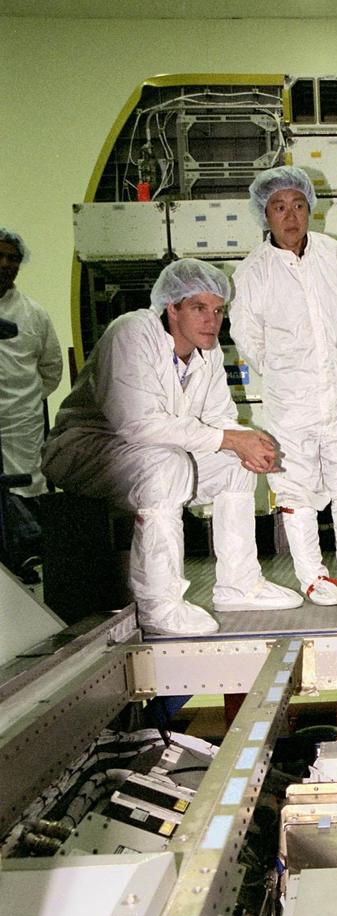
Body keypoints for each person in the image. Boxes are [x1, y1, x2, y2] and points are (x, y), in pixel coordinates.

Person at [43, 259, 302, 635]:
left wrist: (248, 444)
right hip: (84, 448)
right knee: (169, 465)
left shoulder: (208, 353)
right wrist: (230, 439)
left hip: (146, 451)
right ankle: (159, 605)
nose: (211, 320)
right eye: (199, 308)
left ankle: (239, 584)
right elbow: (138, 424)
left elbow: (218, 417)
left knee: (234, 464)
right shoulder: (131, 333)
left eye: (217, 310)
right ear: (172, 307)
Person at [230, 166, 337, 606]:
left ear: (310, 208)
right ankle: (312, 576)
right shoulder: (253, 271)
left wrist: (325, 363)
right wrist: (289, 370)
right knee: (298, 490)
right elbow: (246, 335)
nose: (290, 216)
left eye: (297, 205)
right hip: (290, 405)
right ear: (266, 215)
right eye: (279, 207)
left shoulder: (334, 254)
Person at [0, 228, 62, 582]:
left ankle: (26, 563)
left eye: (13, 258)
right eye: (0, 256)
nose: (6, 264)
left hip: (22, 424)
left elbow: (51, 369)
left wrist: (24, 400)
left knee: (25, 491)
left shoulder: (33, 315)